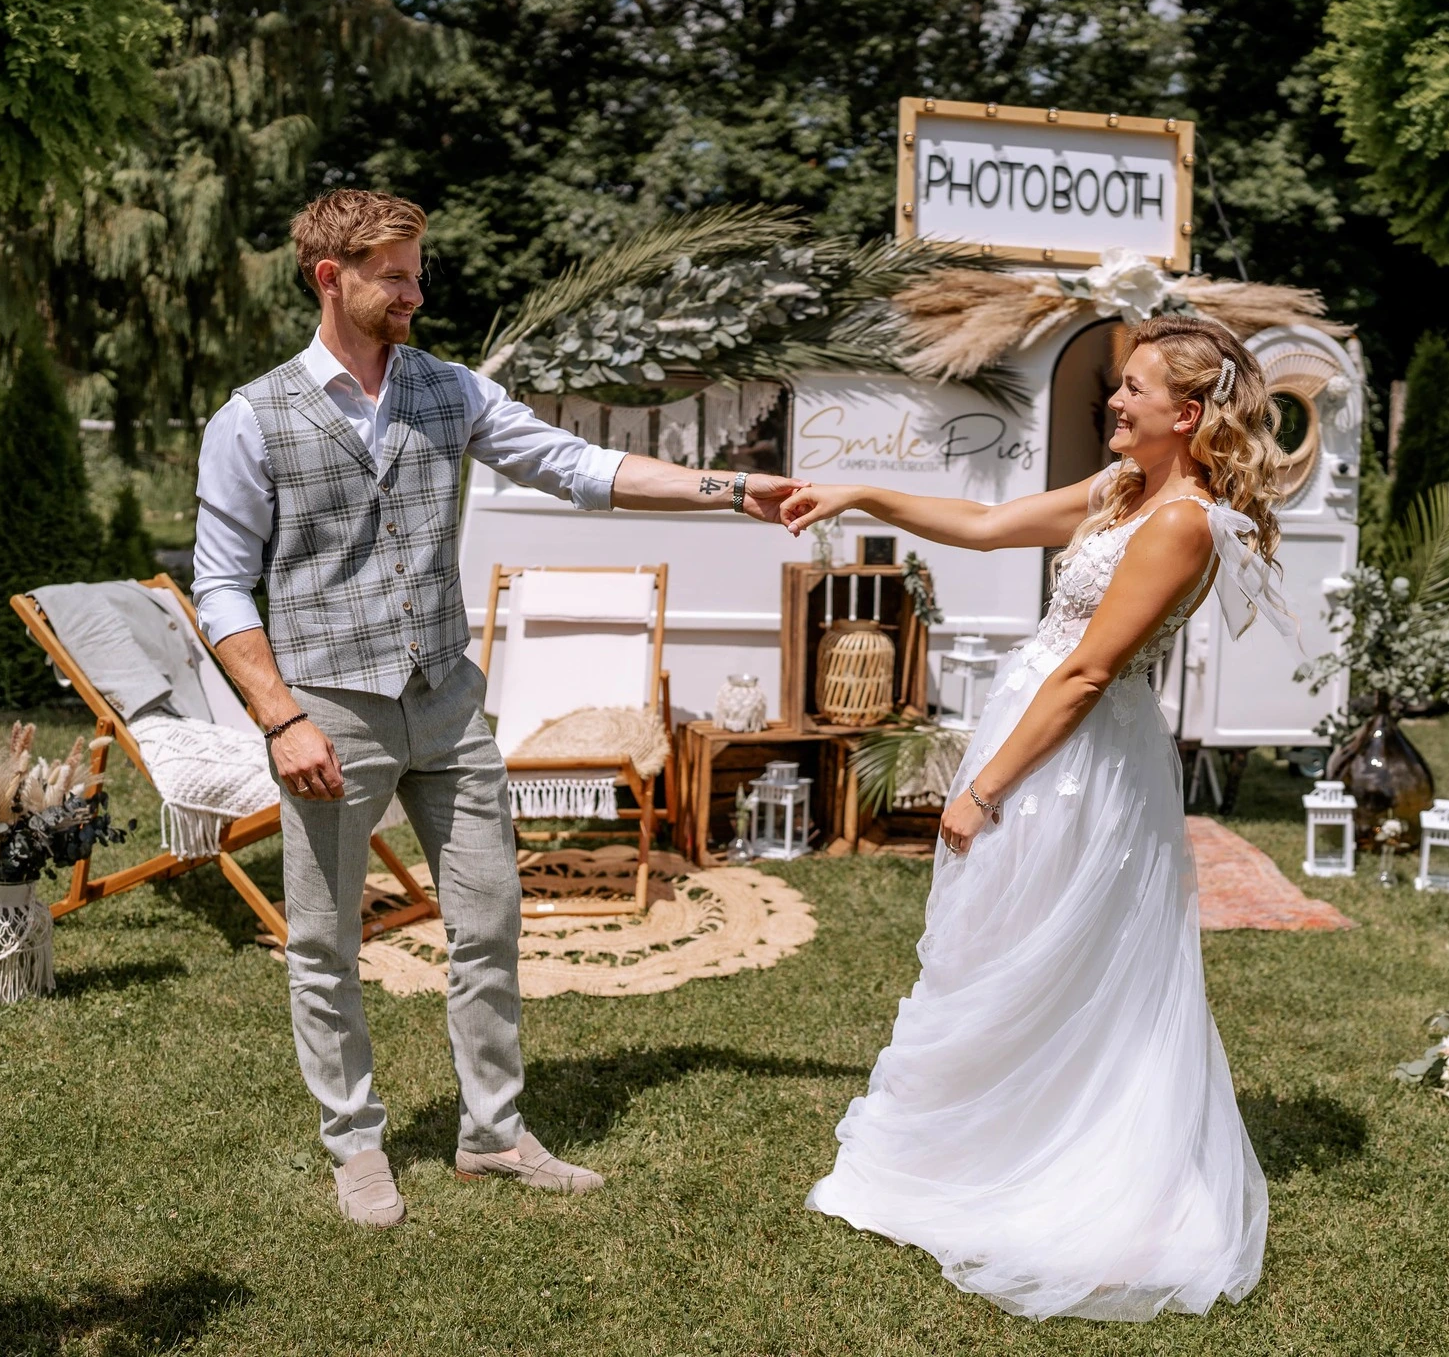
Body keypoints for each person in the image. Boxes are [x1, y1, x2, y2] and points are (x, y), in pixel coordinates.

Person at [193, 189, 797, 1228]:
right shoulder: (251, 418)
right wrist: (282, 719)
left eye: (418, 271)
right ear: (329, 278)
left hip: (447, 704)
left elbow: (578, 466)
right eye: (394, 275)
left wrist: (729, 493)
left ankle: (493, 1135)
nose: (415, 292)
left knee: (490, 920)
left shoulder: (452, 390)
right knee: (327, 941)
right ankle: (356, 1146)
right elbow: (219, 585)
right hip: (329, 713)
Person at [782, 315, 1298, 1321]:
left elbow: (1093, 673)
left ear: (1185, 416)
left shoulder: (1183, 521)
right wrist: (859, 490)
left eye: (1135, 389)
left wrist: (982, 792)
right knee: (1002, 946)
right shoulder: (1120, 493)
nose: (1115, 400)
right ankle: (987, 1139)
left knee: (1051, 953)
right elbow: (986, 526)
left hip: (1077, 759)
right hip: (1040, 728)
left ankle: (1065, 1164)